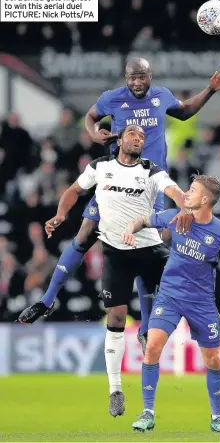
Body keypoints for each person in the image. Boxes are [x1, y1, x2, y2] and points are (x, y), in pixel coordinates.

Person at [17, 58, 220, 348]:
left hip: (150, 184)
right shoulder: (111, 99)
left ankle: (147, 329)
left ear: (150, 76)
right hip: (114, 177)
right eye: (132, 77)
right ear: (126, 77)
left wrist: (210, 89)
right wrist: (94, 133)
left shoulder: (162, 96)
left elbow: (185, 112)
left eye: (142, 77)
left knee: (147, 249)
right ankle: (47, 300)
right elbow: (90, 117)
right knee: (83, 236)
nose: (136, 82)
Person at [19, 125, 187, 416]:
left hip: (148, 249)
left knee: (185, 272)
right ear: (119, 139)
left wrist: (189, 206)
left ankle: (197, 320)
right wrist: (60, 214)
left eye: (142, 136)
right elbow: (74, 189)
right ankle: (116, 391)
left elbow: (174, 190)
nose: (138, 138)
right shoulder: (101, 166)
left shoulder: (151, 169)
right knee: (116, 317)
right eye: (132, 134)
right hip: (115, 252)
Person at [121, 175, 220, 433]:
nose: (186, 193)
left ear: (206, 199)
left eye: (193, 190)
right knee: (152, 345)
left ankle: (218, 418)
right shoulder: (176, 217)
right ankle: (147, 413)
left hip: (202, 303)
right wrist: (130, 229)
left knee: (213, 359)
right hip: (170, 296)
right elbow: (143, 220)